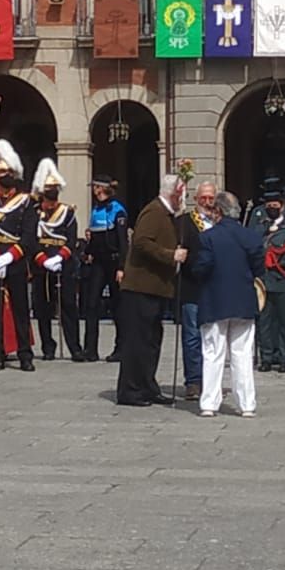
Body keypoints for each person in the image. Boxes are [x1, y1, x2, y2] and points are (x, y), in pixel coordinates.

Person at [115, 174, 187, 407]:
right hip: (140, 288)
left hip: (155, 288)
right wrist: (170, 255)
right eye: (181, 195)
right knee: (137, 341)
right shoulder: (153, 211)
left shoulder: (166, 214)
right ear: (173, 194)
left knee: (151, 341)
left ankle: (147, 386)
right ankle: (130, 390)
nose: (183, 200)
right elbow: (141, 242)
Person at [192, 190, 262, 418]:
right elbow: (259, 268)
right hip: (243, 300)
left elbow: (202, 267)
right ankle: (247, 404)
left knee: (213, 352)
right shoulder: (251, 237)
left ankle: (209, 403)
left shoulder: (208, 237)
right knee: (242, 353)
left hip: (215, 299)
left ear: (218, 211)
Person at [0, 140, 36, 372]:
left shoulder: (26, 204)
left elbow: (29, 235)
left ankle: (25, 354)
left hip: (15, 262)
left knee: (20, 309)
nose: (4, 189)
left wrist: (10, 256)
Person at [30, 158, 78, 363]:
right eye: (47, 200)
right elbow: (31, 240)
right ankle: (48, 346)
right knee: (43, 309)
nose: (49, 204)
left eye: (52, 200)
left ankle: (75, 347)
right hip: (41, 267)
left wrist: (60, 257)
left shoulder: (67, 213)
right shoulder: (35, 214)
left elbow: (71, 239)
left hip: (62, 265)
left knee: (68, 306)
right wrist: (43, 259)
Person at [175, 180, 217, 398]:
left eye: (211, 198)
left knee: (215, 337)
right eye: (203, 198)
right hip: (192, 286)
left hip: (216, 288)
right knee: (192, 336)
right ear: (195, 199)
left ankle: (212, 381)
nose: (207, 202)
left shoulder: (221, 222)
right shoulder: (183, 222)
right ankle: (193, 381)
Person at [256, 186, 285, 373]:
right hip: (264, 279)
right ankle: (266, 357)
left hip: (284, 279)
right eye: (268, 206)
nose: (271, 208)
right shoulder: (260, 226)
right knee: (265, 321)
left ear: (281, 206)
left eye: (274, 205)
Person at [83, 175, 128, 362]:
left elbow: (122, 241)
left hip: (113, 261)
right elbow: (94, 237)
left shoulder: (117, 210)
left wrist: (122, 267)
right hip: (98, 262)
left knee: (117, 306)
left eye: (96, 187)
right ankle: (90, 349)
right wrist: (88, 252)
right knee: (91, 304)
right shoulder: (96, 209)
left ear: (102, 189)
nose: (94, 191)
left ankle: (121, 348)